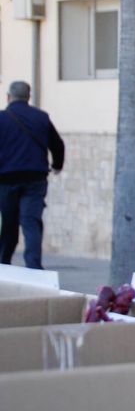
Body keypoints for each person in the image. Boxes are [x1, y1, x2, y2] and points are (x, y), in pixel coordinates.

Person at [0, 81, 65, 270]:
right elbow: (58, 144)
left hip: (6, 180)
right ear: (29, 97)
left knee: (9, 223)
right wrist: (57, 166)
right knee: (31, 222)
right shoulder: (41, 117)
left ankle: (3, 265)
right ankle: (34, 267)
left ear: (8, 97)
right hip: (35, 179)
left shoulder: (1, 119)